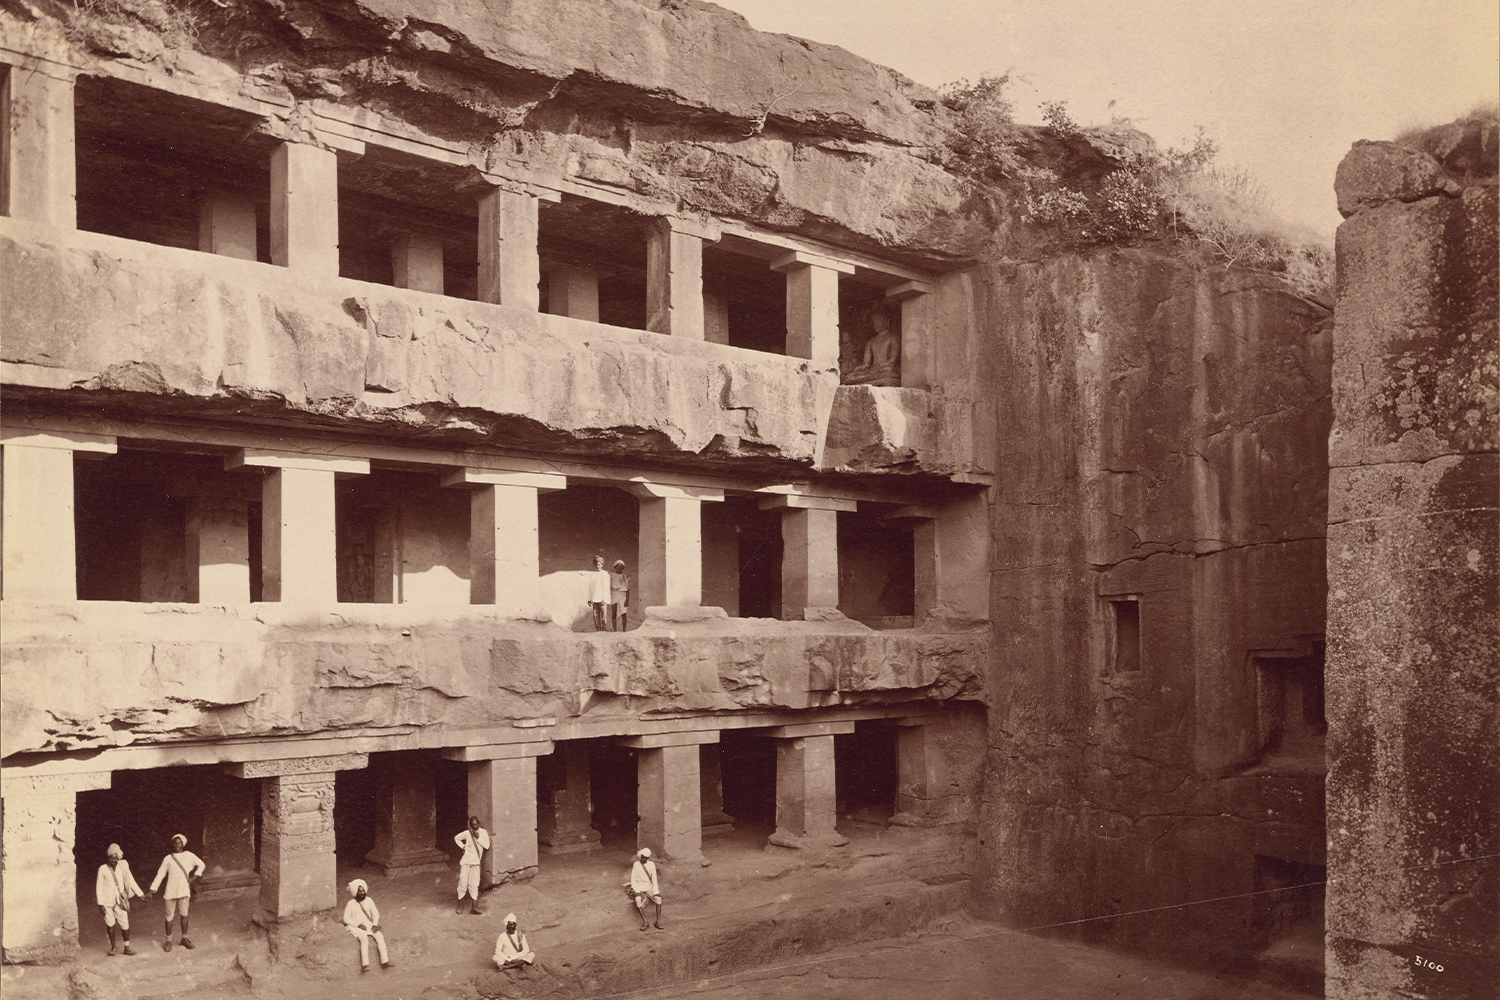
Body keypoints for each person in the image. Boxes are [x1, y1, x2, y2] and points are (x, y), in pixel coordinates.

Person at [148, 833, 205, 951]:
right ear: (172, 844)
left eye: (179, 843)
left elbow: (201, 865)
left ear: (183, 844)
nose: (177, 845)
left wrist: (193, 878)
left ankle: (184, 939)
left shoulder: (189, 855)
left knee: (184, 915)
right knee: (169, 917)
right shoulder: (168, 858)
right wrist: (151, 890)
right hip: (170, 891)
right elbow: (160, 875)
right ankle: (168, 941)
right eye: (175, 843)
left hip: (184, 890)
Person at [96, 843, 144, 957]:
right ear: (107, 858)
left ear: (118, 857)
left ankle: (127, 947)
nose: (113, 860)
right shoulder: (102, 869)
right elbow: (98, 887)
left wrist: (140, 894)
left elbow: (131, 880)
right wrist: (100, 904)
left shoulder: (122, 866)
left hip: (121, 901)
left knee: (125, 923)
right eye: (111, 858)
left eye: (115, 858)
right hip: (107, 902)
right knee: (110, 925)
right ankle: (113, 947)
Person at [342, 879, 392, 973]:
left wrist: (374, 924)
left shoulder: (369, 900)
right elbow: (345, 919)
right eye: (359, 891)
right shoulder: (350, 903)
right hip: (355, 926)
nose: (361, 893)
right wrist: (358, 924)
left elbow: (375, 913)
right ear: (355, 892)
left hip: (368, 924)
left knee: (379, 936)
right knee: (364, 938)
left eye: (363, 890)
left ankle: (385, 961)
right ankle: (365, 965)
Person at [843, 309, 901, 387]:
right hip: (873, 370)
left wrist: (883, 365)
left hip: (885, 368)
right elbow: (866, 363)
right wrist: (858, 368)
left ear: (886, 321)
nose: (875, 324)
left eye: (878, 321)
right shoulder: (871, 342)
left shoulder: (893, 338)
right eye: (874, 322)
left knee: (888, 371)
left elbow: (892, 360)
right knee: (851, 376)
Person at [454, 815, 490, 914]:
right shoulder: (467, 833)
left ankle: (474, 906)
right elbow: (456, 838)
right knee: (462, 883)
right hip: (465, 862)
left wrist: (478, 838)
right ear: (470, 826)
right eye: (472, 825)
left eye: (476, 824)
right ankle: (460, 905)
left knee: (474, 884)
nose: (475, 827)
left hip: (476, 863)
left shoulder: (483, 833)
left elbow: (487, 846)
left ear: (479, 823)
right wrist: (463, 847)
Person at [626, 847, 662, 930]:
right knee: (638, 900)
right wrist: (636, 889)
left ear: (648, 858)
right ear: (640, 856)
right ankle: (645, 922)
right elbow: (633, 878)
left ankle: (658, 921)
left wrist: (655, 890)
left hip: (648, 886)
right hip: (639, 886)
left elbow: (654, 879)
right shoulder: (636, 864)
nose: (643, 859)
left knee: (658, 899)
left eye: (645, 858)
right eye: (642, 857)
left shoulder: (651, 864)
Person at [588, 555, 611, 631]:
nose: (598, 566)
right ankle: (598, 630)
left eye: (599, 565)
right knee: (596, 615)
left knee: (604, 615)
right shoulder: (593, 575)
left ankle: (604, 630)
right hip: (595, 599)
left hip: (602, 599)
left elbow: (606, 587)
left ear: (602, 565)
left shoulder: (605, 574)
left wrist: (604, 599)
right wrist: (589, 598)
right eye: (597, 565)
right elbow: (590, 587)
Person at [609, 560, 631, 631]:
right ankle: (614, 630)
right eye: (618, 566)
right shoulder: (611, 575)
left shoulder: (625, 576)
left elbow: (627, 589)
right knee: (614, 613)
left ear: (622, 568)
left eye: (621, 566)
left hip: (622, 595)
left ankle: (624, 630)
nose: (619, 567)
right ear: (615, 567)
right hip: (614, 595)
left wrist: (627, 600)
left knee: (623, 613)